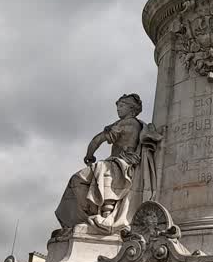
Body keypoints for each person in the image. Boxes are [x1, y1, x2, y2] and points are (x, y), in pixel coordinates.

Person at [54, 94, 159, 234]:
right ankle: (94, 216)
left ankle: (97, 219)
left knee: (78, 179)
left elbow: (98, 139)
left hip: (120, 163)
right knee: (83, 178)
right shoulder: (136, 124)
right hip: (121, 163)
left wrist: (89, 155)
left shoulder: (127, 124)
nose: (118, 109)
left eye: (121, 106)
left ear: (131, 108)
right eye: (117, 106)